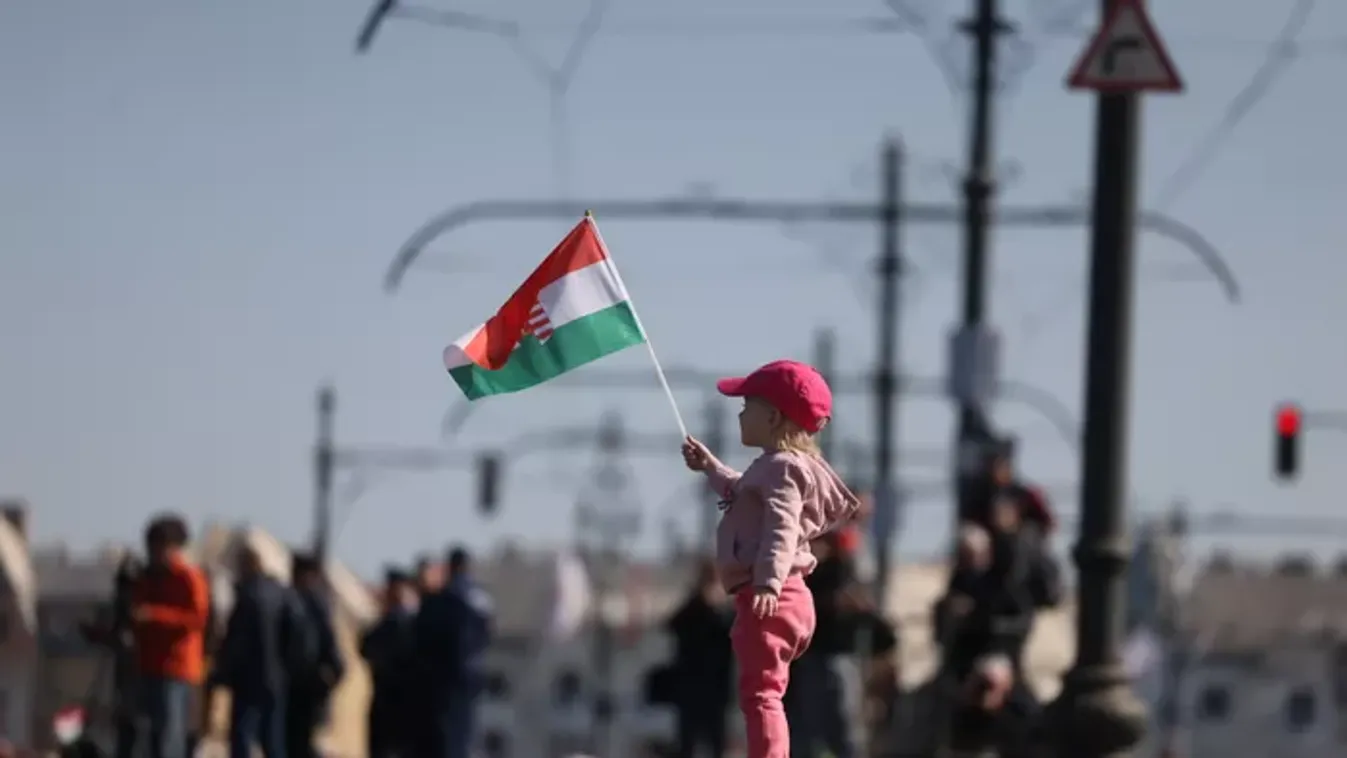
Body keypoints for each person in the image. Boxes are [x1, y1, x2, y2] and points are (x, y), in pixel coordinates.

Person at [681, 359, 861, 758]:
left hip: (772, 596)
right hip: (786, 598)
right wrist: (710, 467)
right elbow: (741, 492)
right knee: (769, 692)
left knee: (761, 695)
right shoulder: (781, 468)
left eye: (748, 407)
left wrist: (768, 581)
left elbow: (782, 525)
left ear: (774, 417)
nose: (741, 415)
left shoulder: (781, 469)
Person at [212, 544, 309, 758]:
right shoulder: (284, 594)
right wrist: (289, 669)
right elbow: (298, 635)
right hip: (277, 679)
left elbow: (237, 641)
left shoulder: (248, 596)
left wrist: (223, 672)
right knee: (273, 740)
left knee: (242, 737)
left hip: (248, 679)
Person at [130, 515, 211, 758]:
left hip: (177, 670)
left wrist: (154, 616)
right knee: (149, 736)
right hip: (148, 666)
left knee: (170, 737)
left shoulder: (189, 577)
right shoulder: (147, 577)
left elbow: (197, 618)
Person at [415, 546, 494, 758]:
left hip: (446, 679)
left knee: (449, 739)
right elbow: (487, 634)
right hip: (473, 674)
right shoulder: (481, 599)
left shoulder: (443, 599)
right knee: (467, 734)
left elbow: (427, 638)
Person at [665, 558, 733, 758]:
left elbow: (731, 634)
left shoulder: (725, 611)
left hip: (716, 688)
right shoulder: (692, 608)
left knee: (716, 744)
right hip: (691, 687)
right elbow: (673, 626)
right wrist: (699, 600)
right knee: (688, 744)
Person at [285, 554, 345, 758]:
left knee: (299, 741)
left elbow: (328, 644)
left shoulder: (310, 603)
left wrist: (330, 677)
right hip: (302, 683)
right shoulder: (309, 601)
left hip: (305, 684)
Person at [362, 568, 420, 758]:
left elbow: (366, 646)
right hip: (395, 698)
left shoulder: (399, 620)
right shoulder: (406, 620)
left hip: (394, 698)